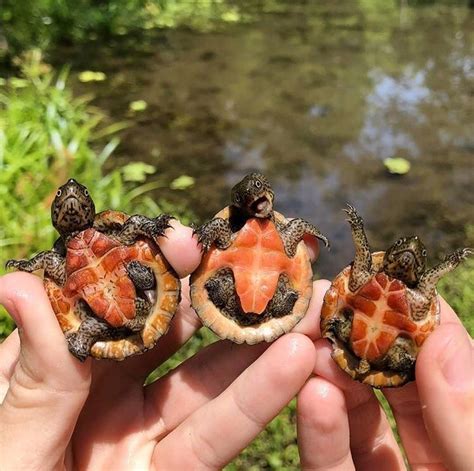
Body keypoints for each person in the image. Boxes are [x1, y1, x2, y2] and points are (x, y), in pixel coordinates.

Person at [0, 222, 472, 470]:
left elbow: (350, 294)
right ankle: (87, 334)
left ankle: (89, 333)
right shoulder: (400, 288)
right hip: (125, 308)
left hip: (350, 332)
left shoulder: (378, 281)